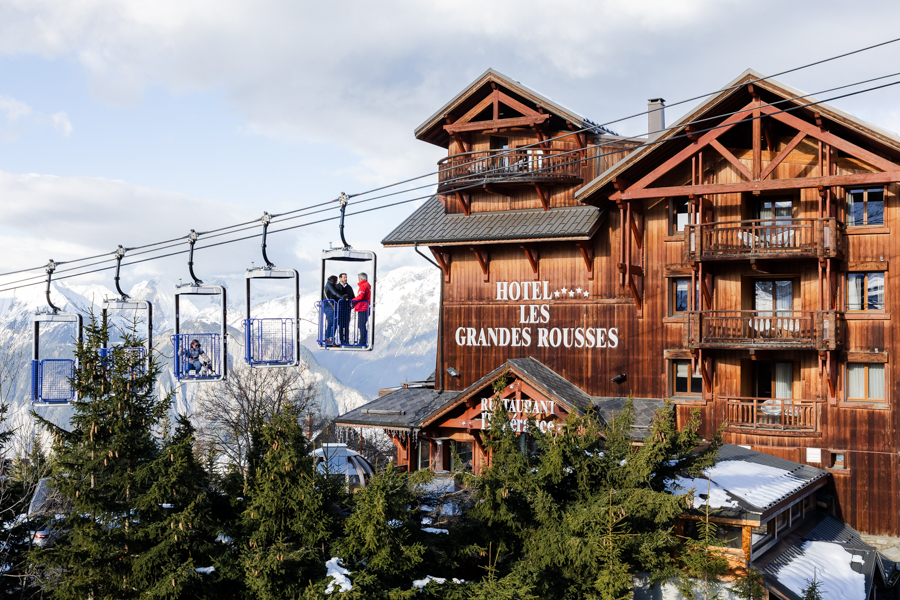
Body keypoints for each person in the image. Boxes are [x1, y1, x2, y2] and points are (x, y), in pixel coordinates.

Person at [353, 272, 372, 346]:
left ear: (360, 278)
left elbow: (360, 296)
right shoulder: (368, 285)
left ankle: (362, 341)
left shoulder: (363, 286)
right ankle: (363, 340)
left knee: (361, 325)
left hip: (363, 308)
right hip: (366, 307)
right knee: (362, 325)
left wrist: (353, 300)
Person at [336, 273, 354, 345]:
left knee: (346, 325)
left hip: (347, 309)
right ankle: (342, 340)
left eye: (346, 277)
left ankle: (346, 340)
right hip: (340, 309)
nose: (345, 279)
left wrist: (351, 304)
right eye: (344, 277)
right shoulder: (337, 287)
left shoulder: (349, 287)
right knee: (340, 325)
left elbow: (353, 297)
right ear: (340, 278)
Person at [323, 275, 341, 345]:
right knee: (332, 323)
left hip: (329, 307)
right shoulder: (329, 285)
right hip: (329, 306)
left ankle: (330, 339)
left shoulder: (329, 284)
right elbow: (334, 293)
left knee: (332, 324)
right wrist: (342, 297)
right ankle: (329, 340)